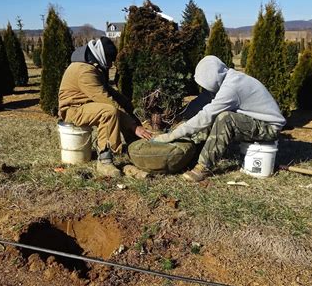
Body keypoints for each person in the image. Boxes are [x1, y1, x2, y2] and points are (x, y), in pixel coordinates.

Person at [153, 55, 286, 181]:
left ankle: (204, 167)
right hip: (254, 121)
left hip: (269, 127)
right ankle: (194, 149)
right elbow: (201, 102)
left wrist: (172, 135)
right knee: (216, 116)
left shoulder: (232, 87)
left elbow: (205, 116)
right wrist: (179, 117)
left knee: (225, 118)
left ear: (212, 79)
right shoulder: (225, 79)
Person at [58, 37, 152, 177]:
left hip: (87, 106)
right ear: (101, 56)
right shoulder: (84, 71)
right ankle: (104, 160)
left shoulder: (91, 67)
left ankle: (134, 145)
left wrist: (128, 105)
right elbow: (106, 100)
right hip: (73, 110)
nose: (110, 64)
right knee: (109, 112)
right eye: (109, 60)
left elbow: (110, 92)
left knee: (122, 103)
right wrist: (133, 126)